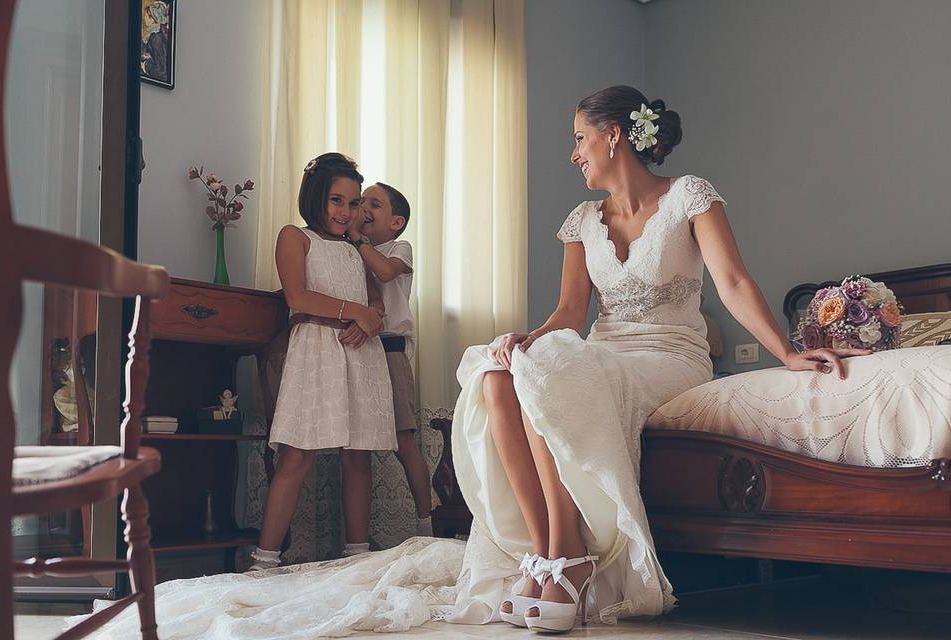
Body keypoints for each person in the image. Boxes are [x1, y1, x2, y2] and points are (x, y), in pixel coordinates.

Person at [447, 84, 869, 633]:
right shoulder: (581, 221)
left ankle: (572, 553)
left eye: (580, 139)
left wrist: (786, 352)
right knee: (498, 373)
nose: (575, 154)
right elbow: (571, 311)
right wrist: (525, 339)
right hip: (602, 351)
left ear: (614, 136)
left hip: (670, 356)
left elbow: (734, 280)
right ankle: (545, 550)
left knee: (544, 370)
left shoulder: (690, 195)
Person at [249, 152, 396, 571]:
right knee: (296, 453)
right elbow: (298, 297)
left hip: (359, 352)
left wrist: (367, 322)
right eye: (337, 200)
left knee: (359, 453)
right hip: (315, 350)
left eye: (353, 204)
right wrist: (355, 312)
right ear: (315, 195)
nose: (346, 212)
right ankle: (265, 559)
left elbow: (376, 302)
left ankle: (357, 555)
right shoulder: (295, 237)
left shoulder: (355, 249)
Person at [348, 182, 433, 537]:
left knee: (403, 438)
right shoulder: (351, 247)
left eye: (374, 204)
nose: (365, 207)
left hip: (390, 348)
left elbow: (384, 272)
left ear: (396, 221)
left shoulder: (400, 247)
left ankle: (426, 520)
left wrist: (357, 239)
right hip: (358, 347)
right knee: (355, 444)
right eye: (361, 201)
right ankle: (356, 540)